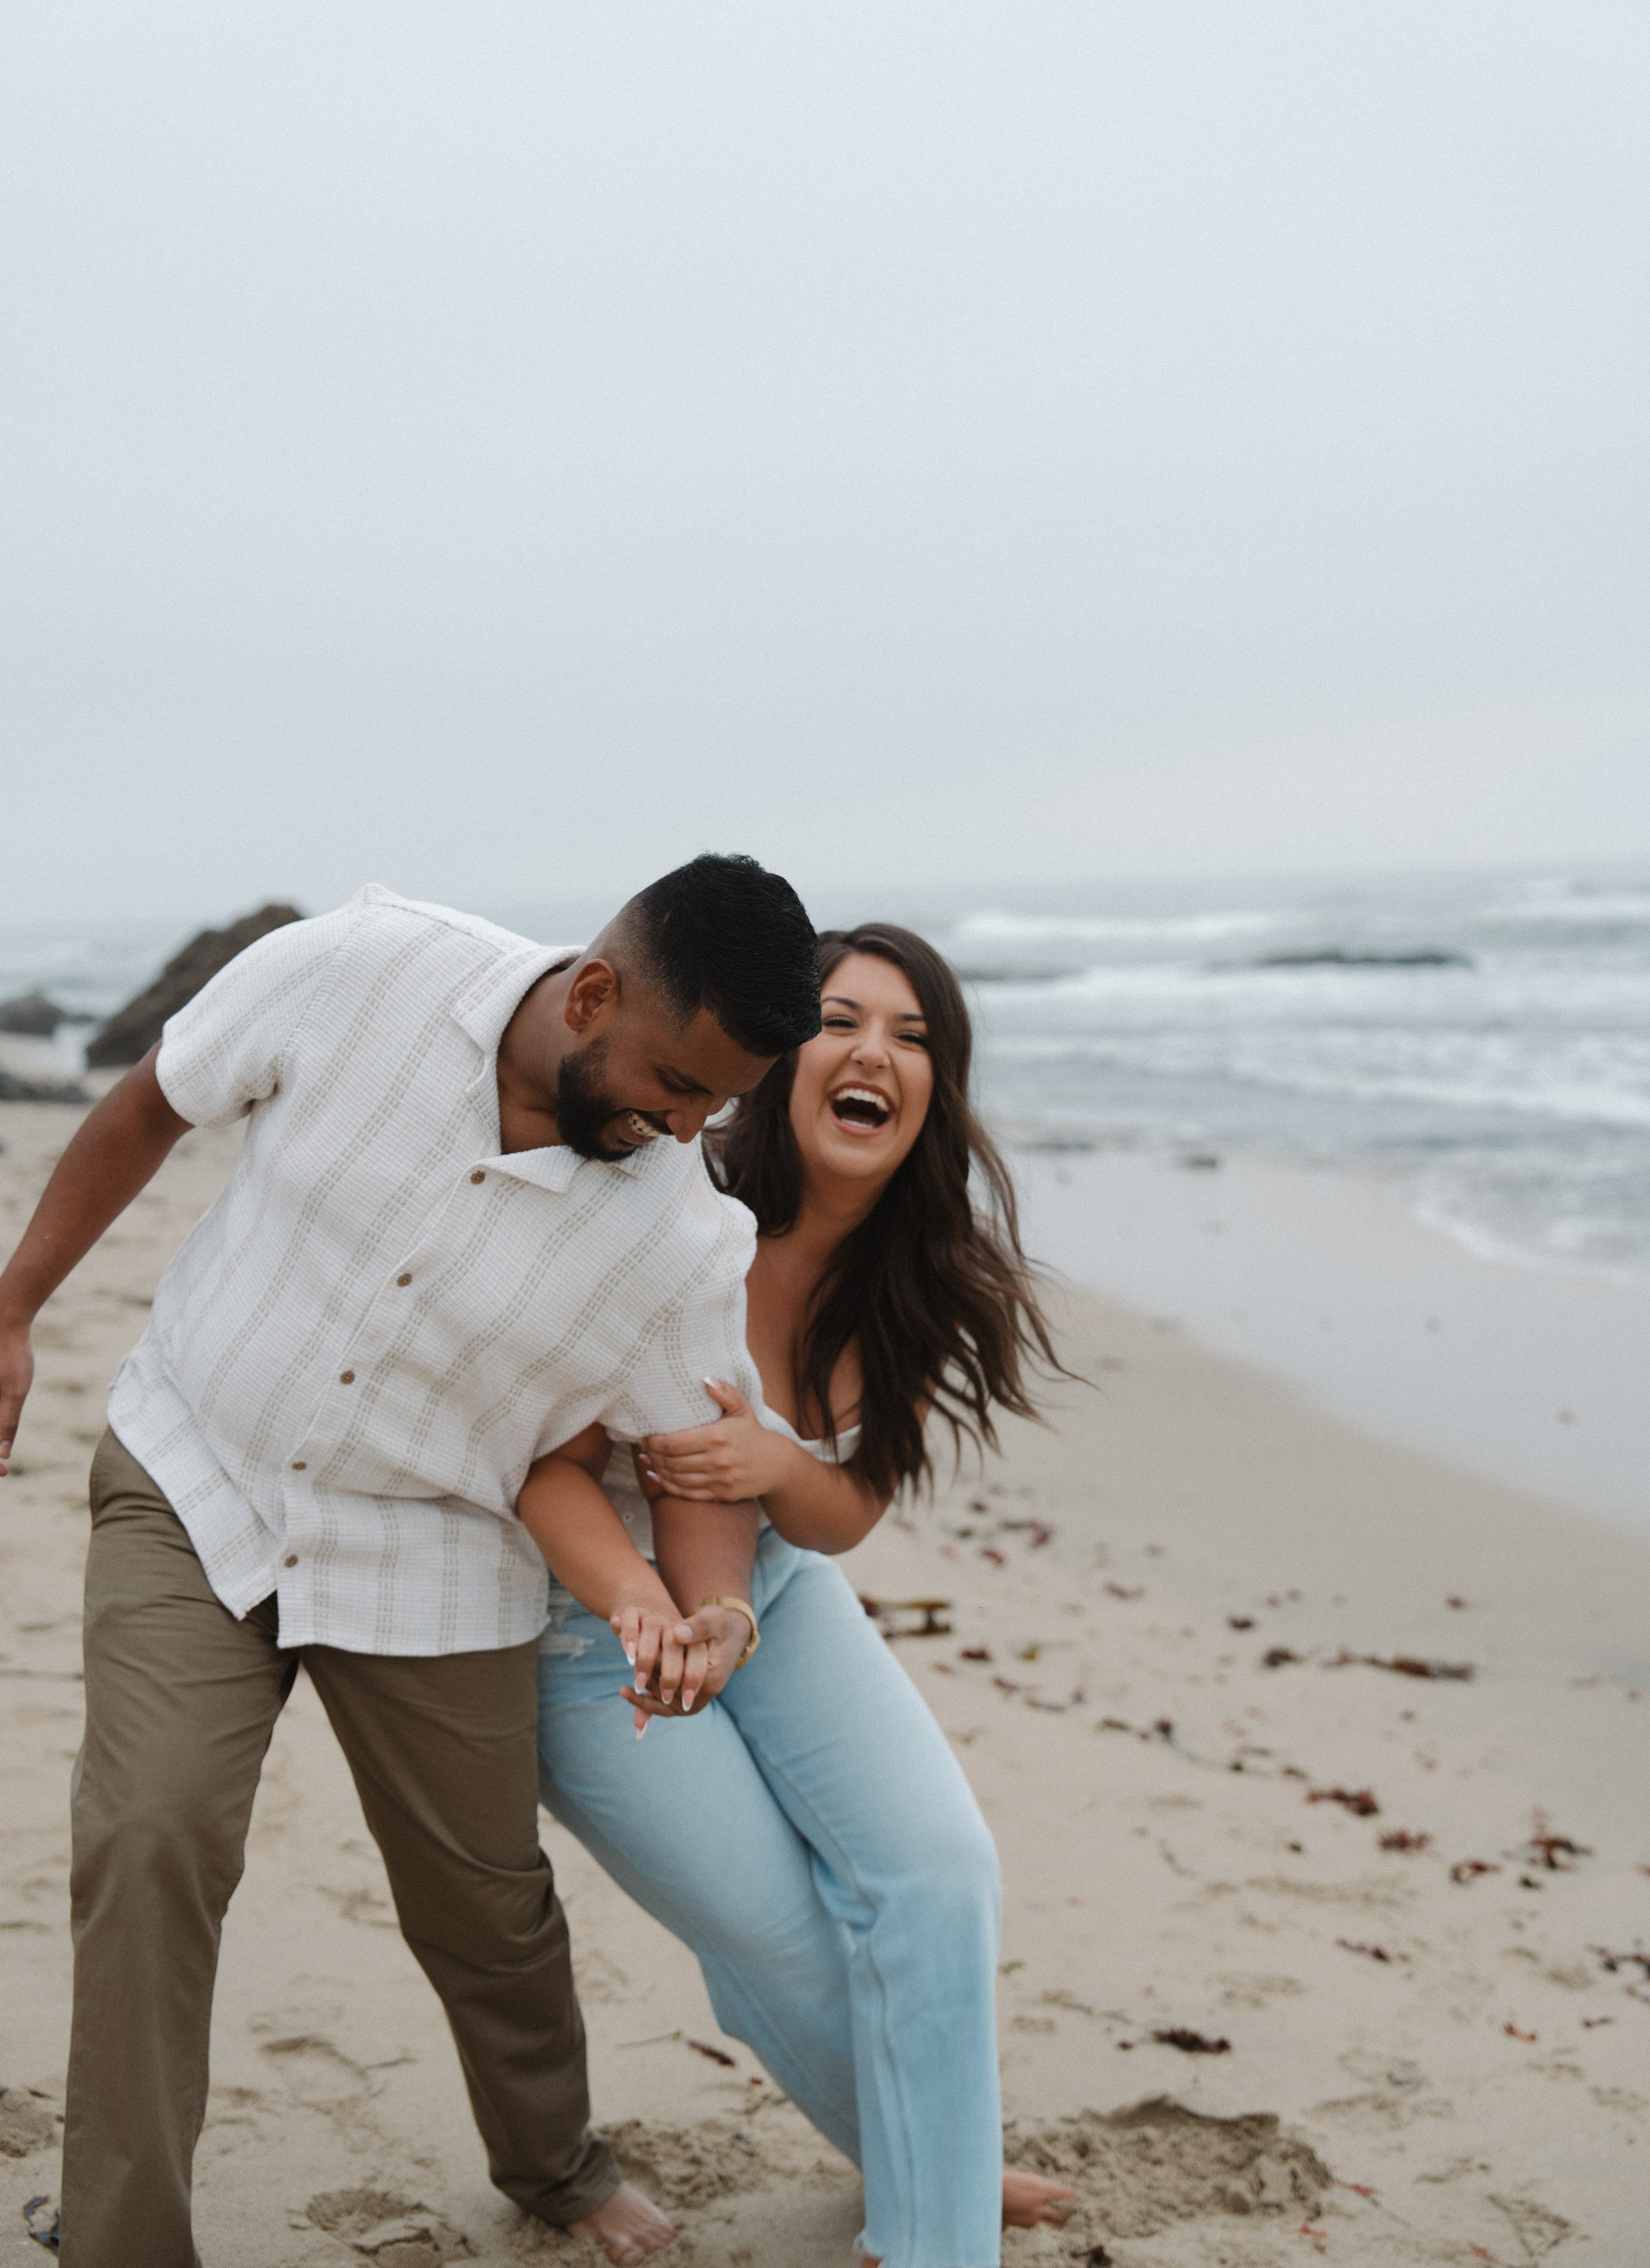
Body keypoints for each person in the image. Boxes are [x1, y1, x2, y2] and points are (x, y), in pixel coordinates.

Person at [0, 857, 821, 2268]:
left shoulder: (682, 1231)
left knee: (484, 1903)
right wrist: (13, 1309)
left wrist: (716, 1611)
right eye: (676, 1083)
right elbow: (150, 1104)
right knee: (149, 1836)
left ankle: (554, 2163)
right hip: (198, 1472)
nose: (689, 1126)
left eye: (721, 1104)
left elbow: (692, 1456)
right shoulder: (361, 964)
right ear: (591, 993)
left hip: (433, 1554)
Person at [523, 923, 1076, 2268]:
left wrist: (776, 1464)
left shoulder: (913, 1269)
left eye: (913, 1037)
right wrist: (658, 1608)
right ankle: (936, 2161)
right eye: (841, 1020)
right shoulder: (664, 1204)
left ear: (935, 1090)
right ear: (778, 1058)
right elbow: (543, 1465)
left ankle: (934, 2219)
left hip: (770, 1589)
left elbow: (844, 1513)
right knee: (780, 1941)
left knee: (939, 1876)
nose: (874, 1052)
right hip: (589, 1631)